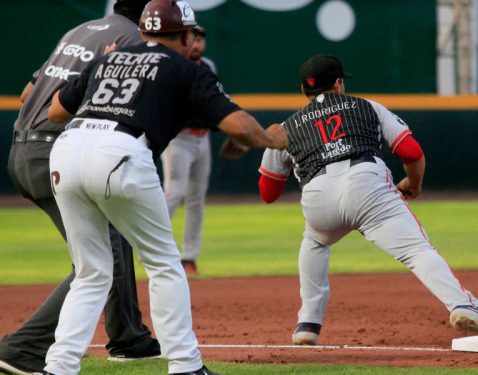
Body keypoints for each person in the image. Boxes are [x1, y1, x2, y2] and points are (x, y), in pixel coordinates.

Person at [44, 0, 287, 374]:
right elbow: (238, 128)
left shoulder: (111, 58)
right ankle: (186, 365)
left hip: (67, 150)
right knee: (163, 263)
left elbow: (56, 111)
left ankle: (58, 367)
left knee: (92, 271)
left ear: (143, 31)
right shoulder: (187, 68)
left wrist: (107, 72)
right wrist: (271, 140)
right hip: (120, 151)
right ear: (188, 36)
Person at [254, 54, 478, 346]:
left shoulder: (287, 127)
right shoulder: (367, 107)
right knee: (416, 250)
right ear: (339, 84)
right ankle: (462, 305)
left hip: (318, 196)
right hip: (366, 183)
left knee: (315, 241)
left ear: (304, 90)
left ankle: (308, 323)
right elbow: (412, 152)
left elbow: (268, 193)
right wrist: (413, 185)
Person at [2, 1, 160, 373]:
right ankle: (22, 349)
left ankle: (129, 338)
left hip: (24, 147)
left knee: (114, 240)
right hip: (54, 153)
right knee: (99, 262)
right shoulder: (135, 39)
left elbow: (28, 94)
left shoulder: (81, 31)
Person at [160, 25, 214, 276]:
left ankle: (189, 257)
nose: (198, 42)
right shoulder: (173, 65)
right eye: (194, 37)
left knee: (196, 200)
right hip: (178, 139)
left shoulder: (208, 67)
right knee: (174, 193)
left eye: (201, 38)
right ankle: (151, 247)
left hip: (202, 139)